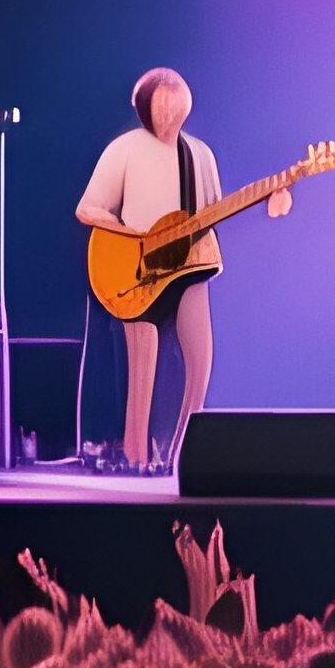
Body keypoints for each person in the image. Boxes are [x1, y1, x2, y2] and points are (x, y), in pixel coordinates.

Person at [76, 68, 291, 471]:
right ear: (144, 107)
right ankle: (134, 456)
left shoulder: (200, 154)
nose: (170, 112)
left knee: (200, 360)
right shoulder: (124, 149)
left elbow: (213, 211)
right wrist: (132, 234)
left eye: (177, 102)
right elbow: (87, 209)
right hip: (136, 268)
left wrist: (270, 198)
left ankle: (183, 454)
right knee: (144, 364)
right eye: (162, 103)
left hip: (193, 262)